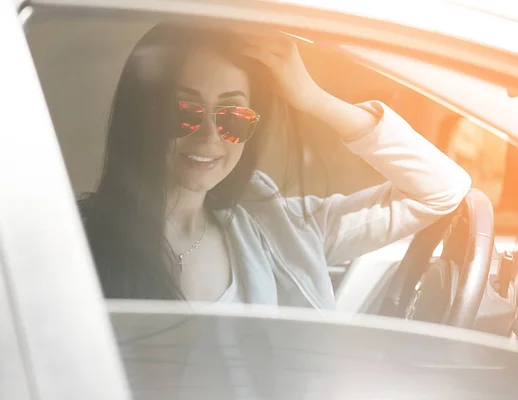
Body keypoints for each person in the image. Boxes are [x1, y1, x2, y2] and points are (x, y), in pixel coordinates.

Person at [79, 23, 471, 309]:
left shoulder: (280, 228)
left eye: (233, 116)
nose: (210, 136)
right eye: (184, 112)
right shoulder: (79, 242)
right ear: (142, 115)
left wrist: (312, 98)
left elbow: (441, 189)